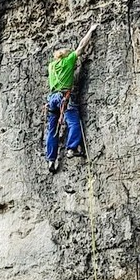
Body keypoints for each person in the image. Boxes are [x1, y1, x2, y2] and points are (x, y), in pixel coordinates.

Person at [46, 23, 97, 173]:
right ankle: (71, 148)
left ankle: (51, 159)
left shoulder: (51, 66)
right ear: (66, 56)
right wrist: (90, 30)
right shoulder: (68, 61)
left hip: (52, 100)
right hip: (64, 97)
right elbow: (81, 46)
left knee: (52, 130)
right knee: (74, 122)